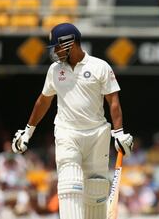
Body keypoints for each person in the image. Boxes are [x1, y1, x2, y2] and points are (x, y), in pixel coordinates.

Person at [11, 23, 133, 219]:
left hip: (97, 134)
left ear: (70, 43)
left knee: (96, 190)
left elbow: (114, 102)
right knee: (69, 185)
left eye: (57, 47)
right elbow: (43, 102)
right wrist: (27, 131)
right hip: (67, 132)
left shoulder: (99, 66)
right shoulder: (54, 70)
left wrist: (119, 133)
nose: (55, 52)